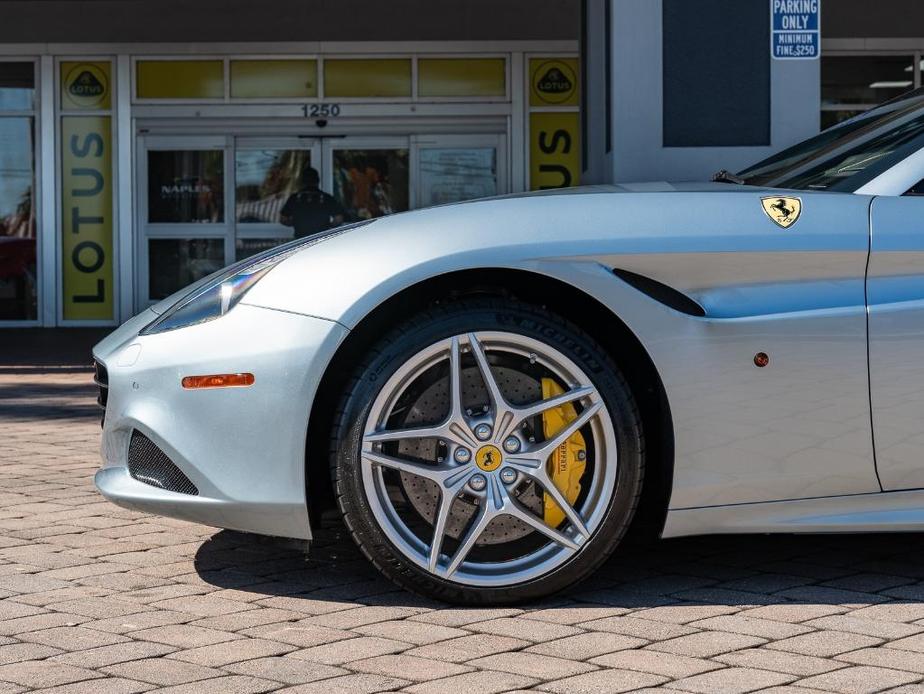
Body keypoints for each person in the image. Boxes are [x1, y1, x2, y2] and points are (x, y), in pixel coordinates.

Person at [280, 166, 345, 239]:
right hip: (321, 241)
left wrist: (296, 223)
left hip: (301, 241)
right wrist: (328, 225)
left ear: (302, 182)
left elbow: (283, 219)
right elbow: (339, 219)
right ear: (317, 181)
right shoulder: (327, 198)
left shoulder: (294, 198)